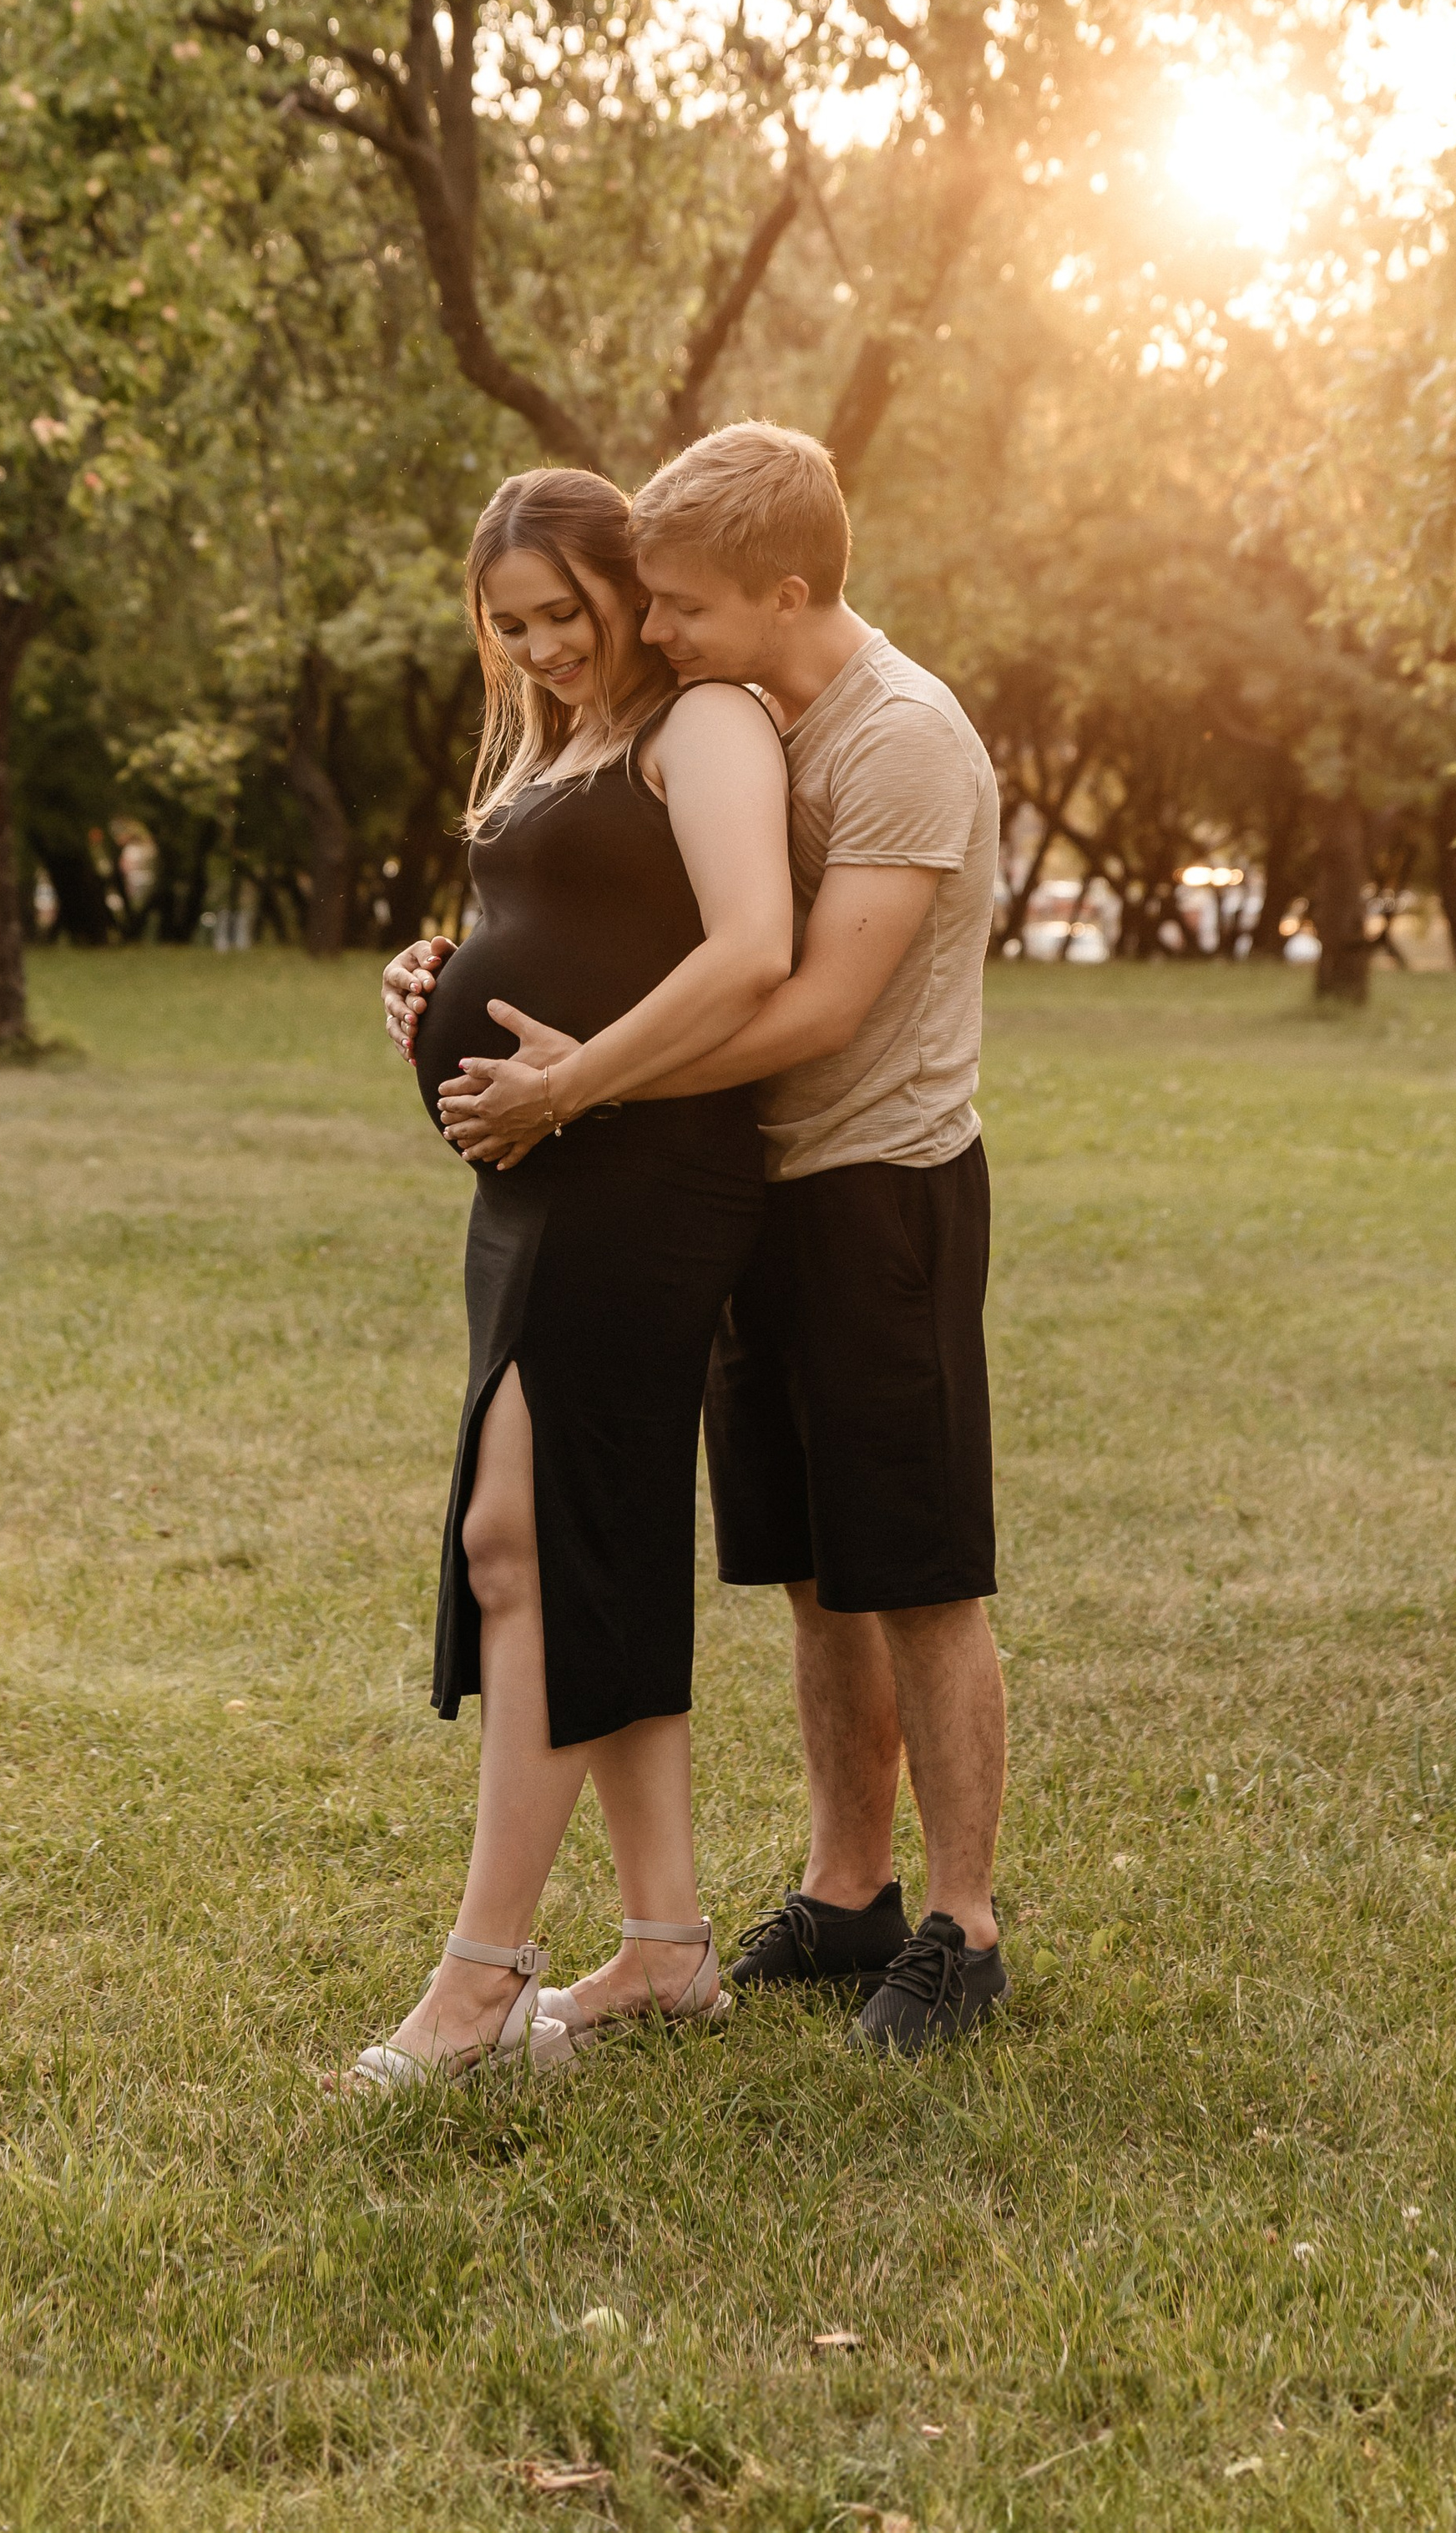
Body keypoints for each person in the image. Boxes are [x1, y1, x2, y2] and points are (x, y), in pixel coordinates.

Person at [392, 420, 1009, 2058]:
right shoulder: (741, 718)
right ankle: (840, 1889)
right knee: (808, 1573)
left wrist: (571, 1087)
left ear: (778, 593)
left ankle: (959, 1925)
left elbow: (797, 989)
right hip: (746, 1186)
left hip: (875, 1183)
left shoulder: (895, 739)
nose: (647, 633)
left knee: (916, 1569)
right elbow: (636, 918)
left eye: (670, 605)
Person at [345, 464, 794, 2091]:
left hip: (642, 1175)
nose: (538, 647)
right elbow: (555, 921)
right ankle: (665, 1948)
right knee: (574, 1545)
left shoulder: (704, 724)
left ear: (628, 585)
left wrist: (566, 1078)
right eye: (510, 625)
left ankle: (479, 1979)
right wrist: (438, 981)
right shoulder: (558, 742)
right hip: (535, 1184)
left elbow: (749, 948)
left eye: (564, 614)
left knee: (516, 1535)